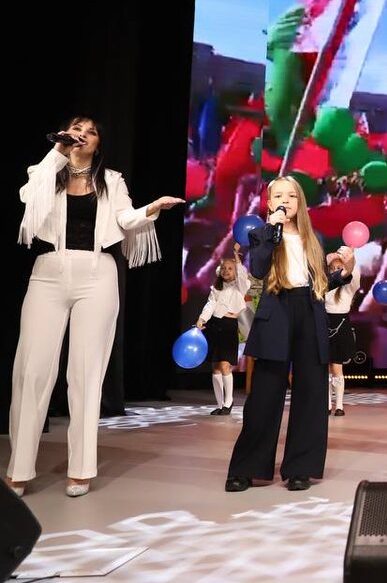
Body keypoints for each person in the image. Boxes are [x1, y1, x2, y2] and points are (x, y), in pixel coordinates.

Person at [7, 117, 182, 497]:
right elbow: (28, 197)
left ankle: (81, 470)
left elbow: (124, 218)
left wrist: (151, 209)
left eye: (90, 131)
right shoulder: (45, 171)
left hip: (96, 274)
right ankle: (19, 469)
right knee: (31, 370)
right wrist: (57, 151)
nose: (82, 135)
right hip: (48, 271)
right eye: (76, 129)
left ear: (99, 143)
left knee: (86, 373)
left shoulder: (112, 181)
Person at [224, 176, 355, 493]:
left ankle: (301, 468)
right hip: (277, 312)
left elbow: (320, 283)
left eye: (292, 195)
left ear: (301, 202)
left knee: (310, 394)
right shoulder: (262, 234)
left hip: (309, 312)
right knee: (265, 395)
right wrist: (272, 230)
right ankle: (246, 468)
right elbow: (258, 269)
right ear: (269, 203)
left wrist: (346, 272)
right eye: (279, 196)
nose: (285, 200)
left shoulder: (314, 238)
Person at [196, 245, 251, 415]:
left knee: (225, 365)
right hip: (214, 326)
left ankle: (229, 402)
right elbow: (210, 304)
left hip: (228, 326)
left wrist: (236, 257)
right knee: (215, 367)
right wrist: (202, 319)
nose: (226, 271)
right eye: (224, 268)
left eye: (230, 268)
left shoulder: (240, 286)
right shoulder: (216, 288)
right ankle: (220, 404)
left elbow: (242, 275)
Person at [325, 252, 361, 417]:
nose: (335, 271)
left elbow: (355, 274)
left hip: (341, 324)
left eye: (339, 267)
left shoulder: (349, 287)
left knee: (337, 366)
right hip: (325, 324)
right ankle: (327, 403)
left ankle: (339, 405)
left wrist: (350, 260)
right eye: (332, 268)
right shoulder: (326, 284)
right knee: (325, 367)